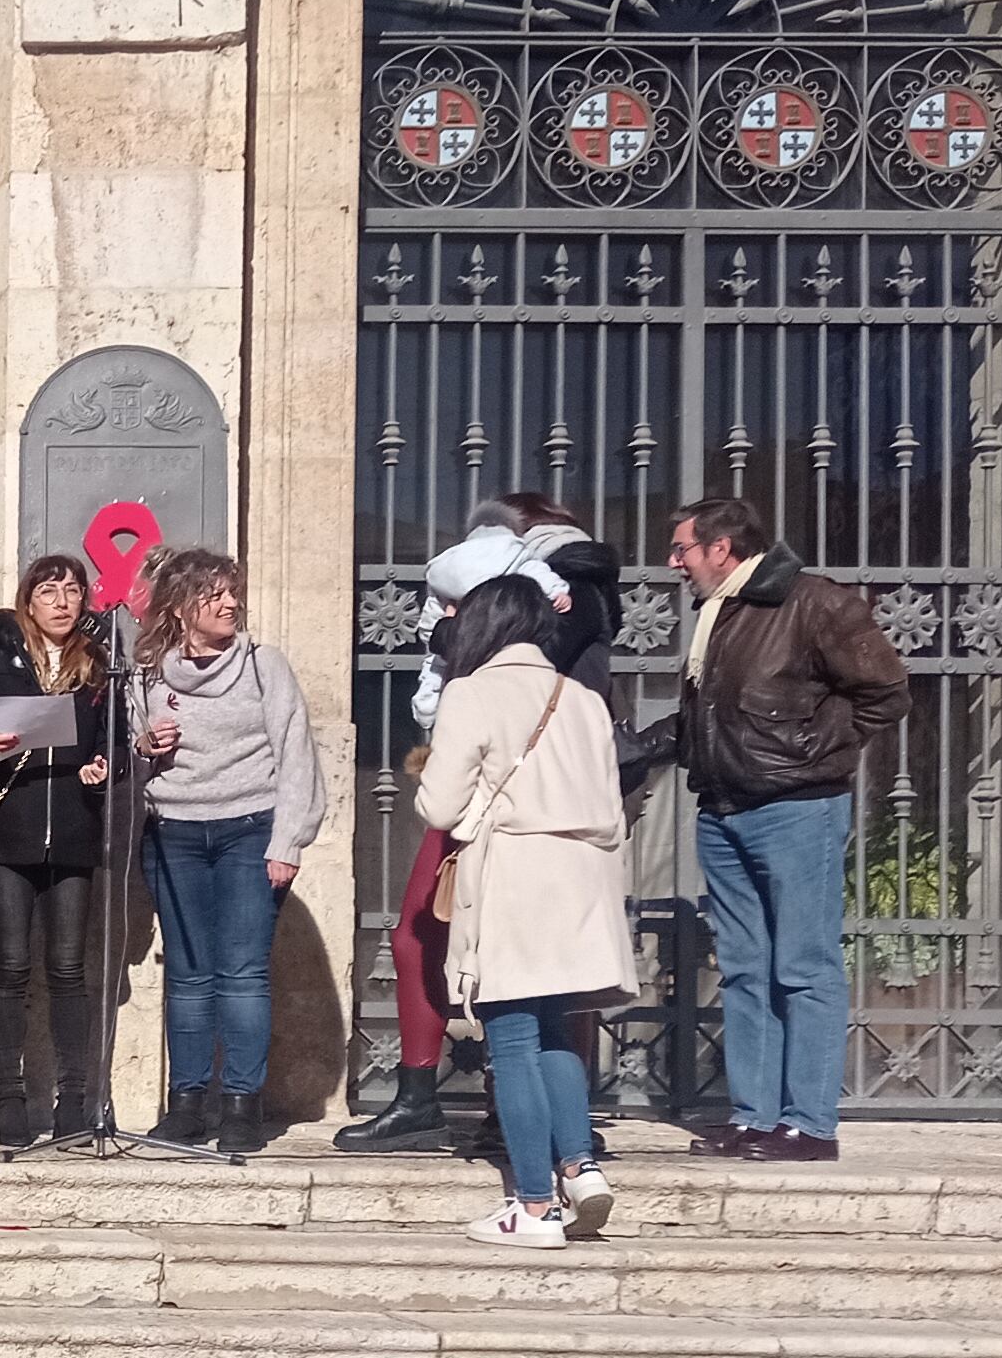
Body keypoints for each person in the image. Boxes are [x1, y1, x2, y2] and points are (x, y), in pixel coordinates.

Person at [341, 496, 618, 1154]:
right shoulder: (560, 594)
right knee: (452, 951)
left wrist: (447, 635)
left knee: (520, 983)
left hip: (500, 806)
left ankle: (521, 1153)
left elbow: (503, 667)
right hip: (538, 808)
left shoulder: (558, 595)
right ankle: (552, 1149)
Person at [647, 495, 908, 1163]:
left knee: (803, 967)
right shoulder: (719, 613)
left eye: (682, 549)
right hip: (723, 811)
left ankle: (810, 1125)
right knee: (743, 970)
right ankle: (754, 1116)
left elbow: (886, 690)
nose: (673, 562)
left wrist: (814, 750)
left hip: (798, 809)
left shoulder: (814, 602)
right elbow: (711, 715)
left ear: (721, 548)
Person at [414, 577, 633, 1244]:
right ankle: (581, 1165)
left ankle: (534, 1205)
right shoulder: (584, 698)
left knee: (510, 1040)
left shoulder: (470, 693)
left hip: (515, 874)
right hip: (584, 877)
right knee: (555, 1031)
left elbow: (440, 807)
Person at [129, 545, 327, 1161]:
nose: (230, 603)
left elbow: (296, 754)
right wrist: (145, 745)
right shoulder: (147, 675)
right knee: (187, 976)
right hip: (173, 834)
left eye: (232, 592)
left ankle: (242, 1106)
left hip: (249, 831)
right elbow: (130, 760)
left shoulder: (266, 666)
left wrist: (287, 840)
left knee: (241, 974)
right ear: (181, 605)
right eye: (214, 594)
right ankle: (188, 1105)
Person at [0, 552, 126, 1153]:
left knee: (69, 971)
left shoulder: (98, 664)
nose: (63, 602)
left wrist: (107, 765)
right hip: (9, 834)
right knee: (10, 969)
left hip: (73, 833)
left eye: (73, 591)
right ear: (29, 600)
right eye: (50, 592)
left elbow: (117, 741)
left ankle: (75, 1099)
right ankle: (13, 1101)